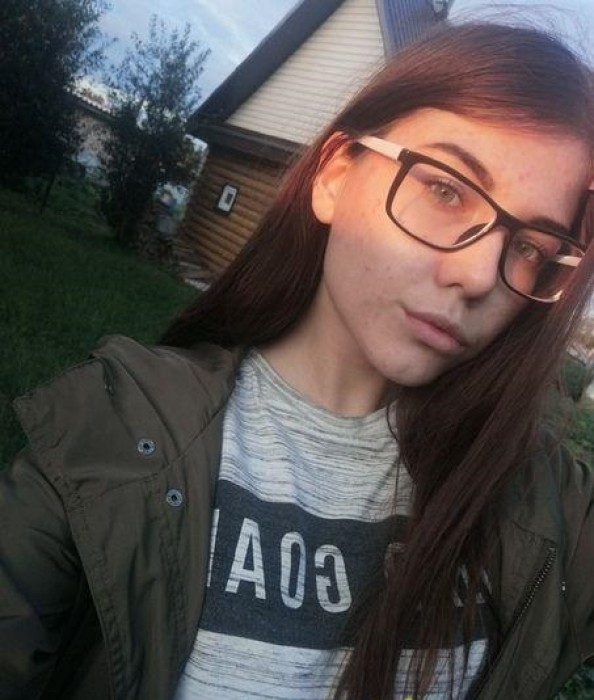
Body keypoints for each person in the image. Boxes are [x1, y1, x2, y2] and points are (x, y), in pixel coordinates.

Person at [1, 20, 594, 700]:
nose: (480, 274)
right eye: (445, 189)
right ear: (334, 176)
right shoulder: (111, 434)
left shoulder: (537, 497)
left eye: (532, 246)